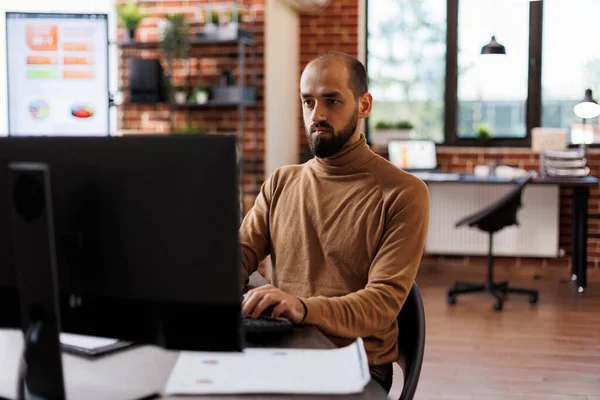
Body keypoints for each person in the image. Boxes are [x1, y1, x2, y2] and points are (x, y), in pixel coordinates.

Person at [240, 51, 429, 393]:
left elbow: (382, 305)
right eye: (308, 102)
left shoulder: (403, 193)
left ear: (364, 105)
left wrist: (302, 308)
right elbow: (240, 253)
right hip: (283, 351)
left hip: (357, 365)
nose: (317, 115)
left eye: (332, 101)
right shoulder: (281, 182)